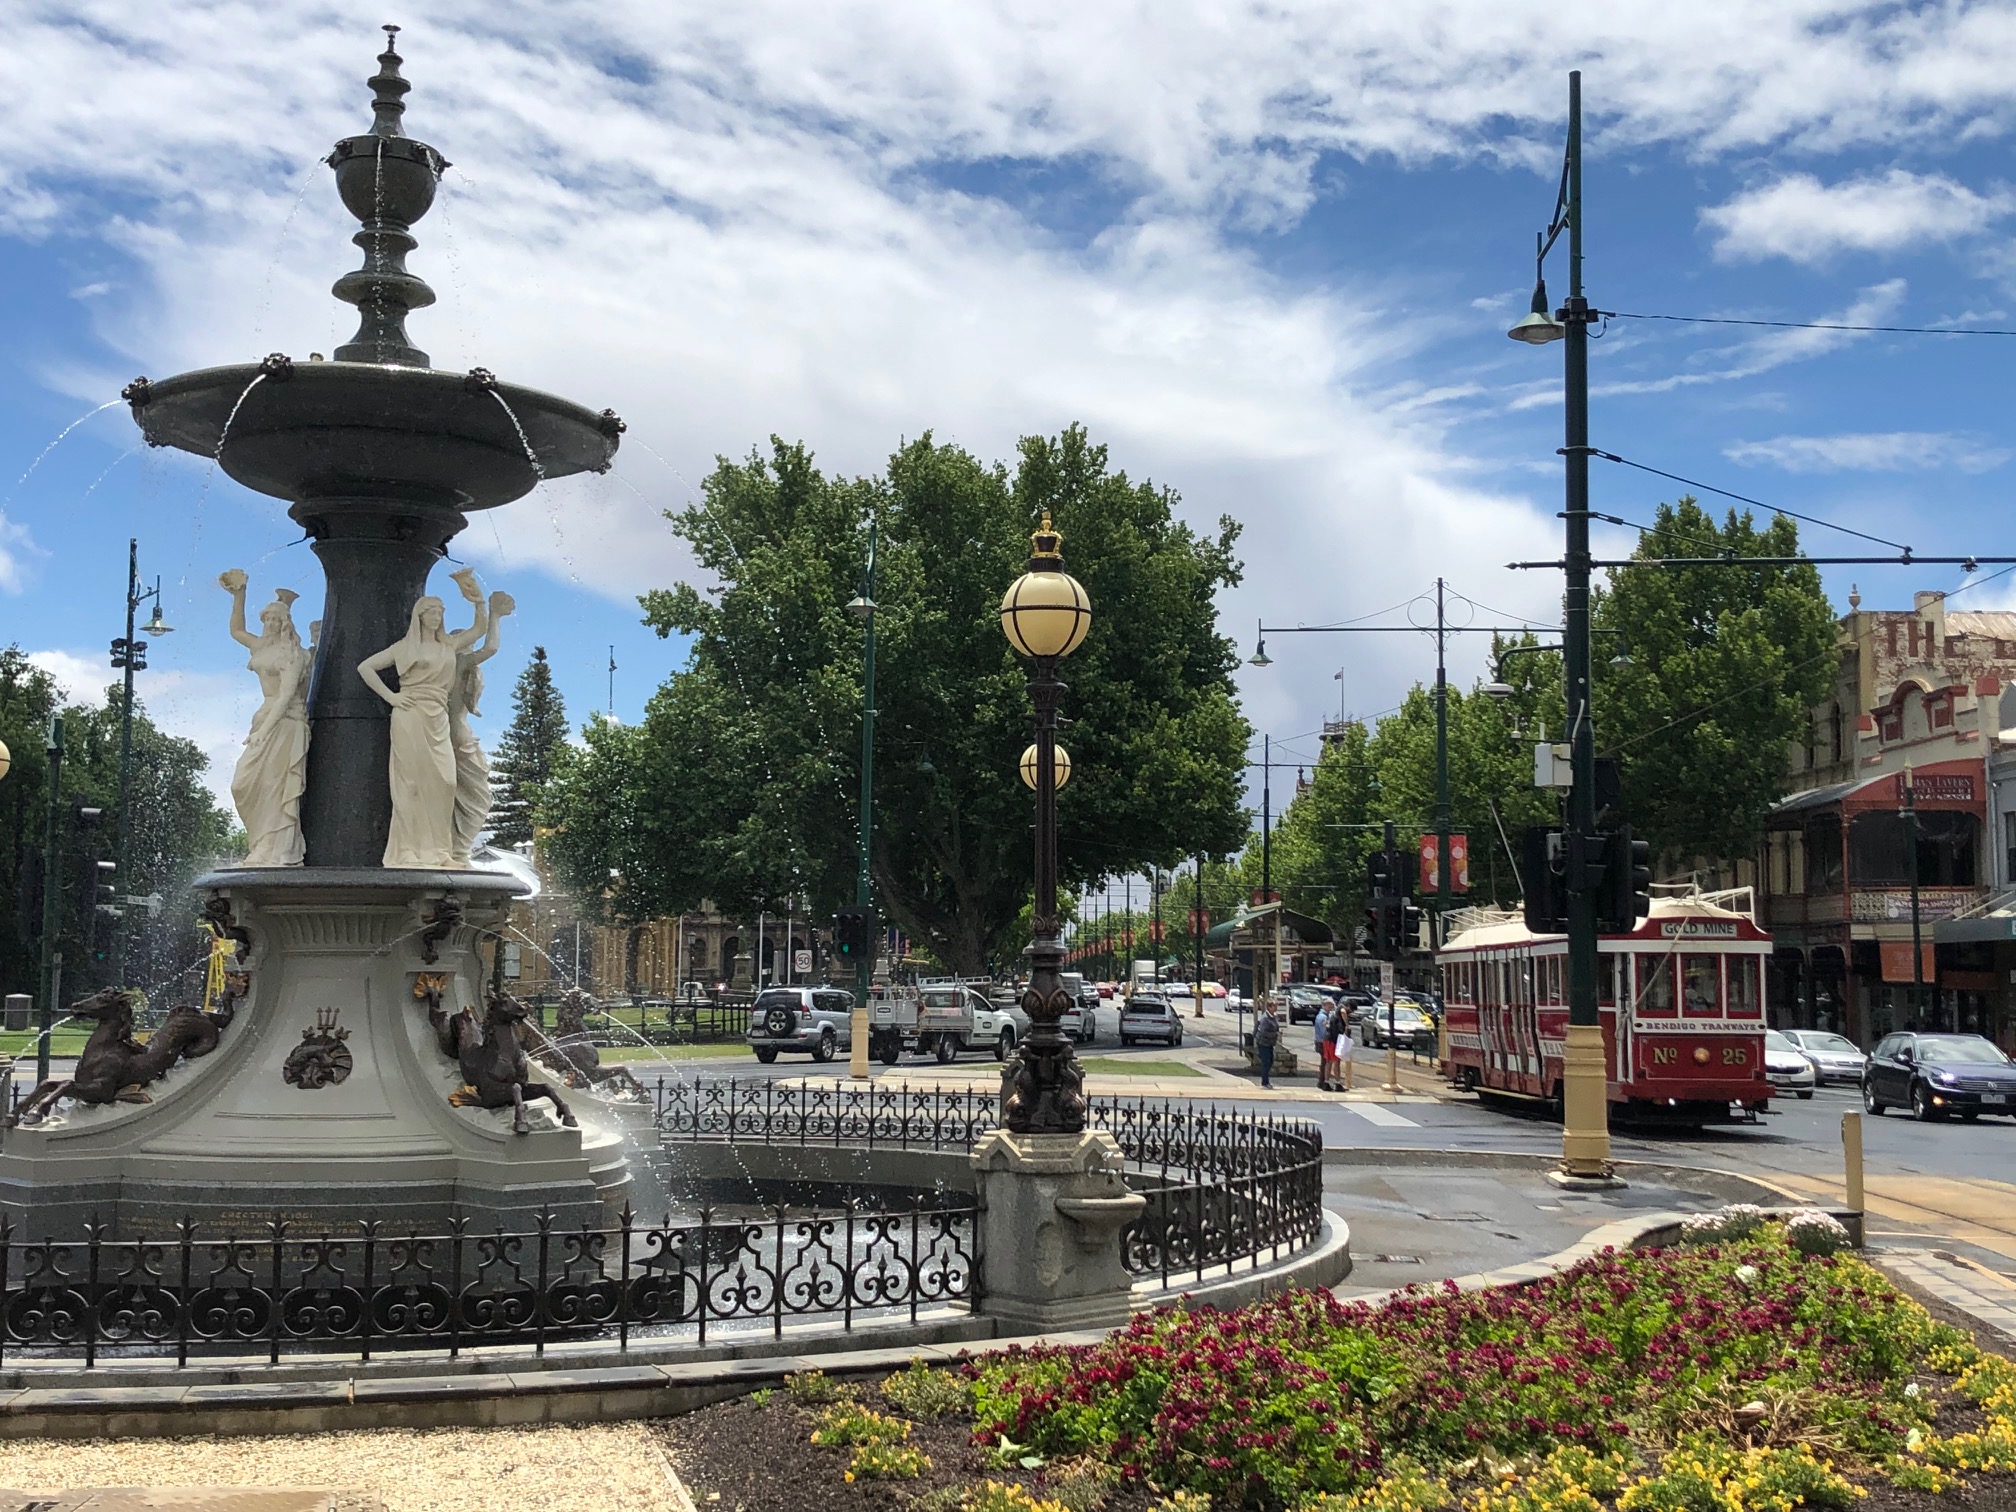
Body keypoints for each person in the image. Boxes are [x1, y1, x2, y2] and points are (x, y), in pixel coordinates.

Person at [1253, 1000, 1280, 1088]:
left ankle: (1265, 1080)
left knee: (1270, 1061)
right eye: (1274, 1006)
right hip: (1263, 1043)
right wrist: (1275, 1034)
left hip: (1270, 1043)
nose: (1276, 1008)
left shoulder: (1273, 1017)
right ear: (1269, 1007)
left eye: (1276, 1006)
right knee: (1266, 1062)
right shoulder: (1265, 1018)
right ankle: (1265, 1082)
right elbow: (1263, 1032)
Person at [1313, 1000, 1333, 1091]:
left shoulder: (1320, 1016)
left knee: (1324, 1062)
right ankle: (1322, 1081)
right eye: (1330, 1006)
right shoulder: (1323, 1017)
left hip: (1319, 1041)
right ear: (1325, 1006)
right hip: (1322, 1042)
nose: (1331, 1008)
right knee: (1325, 1062)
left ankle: (1322, 1081)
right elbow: (1324, 1031)